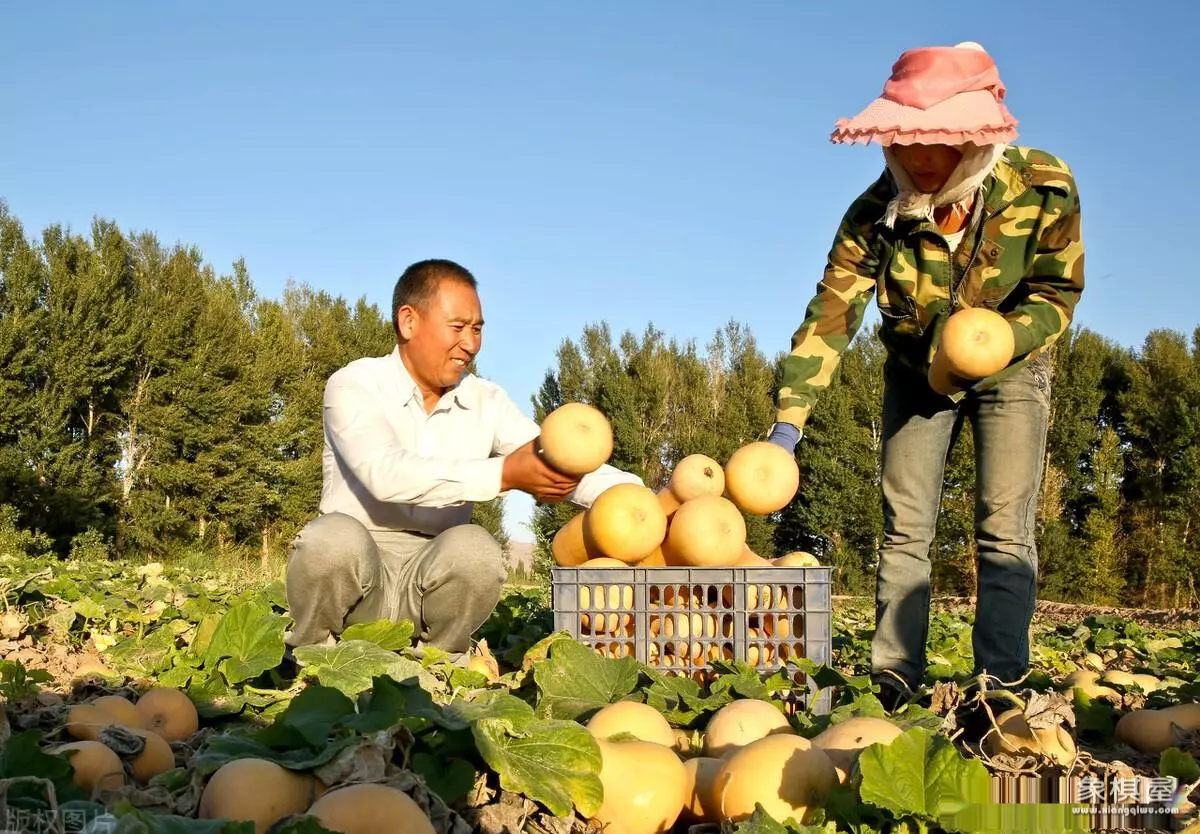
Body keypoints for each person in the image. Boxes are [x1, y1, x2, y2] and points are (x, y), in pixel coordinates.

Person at [766, 42, 1085, 711]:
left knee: (1004, 528)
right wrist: (787, 426)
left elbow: (1056, 293)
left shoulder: (1044, 185)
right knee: (905, 528)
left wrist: (1004, 337)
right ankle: (893, 682)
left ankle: (1001, 685)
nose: (921, 156)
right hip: (915, 372)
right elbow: (831, 317)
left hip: (1012, 372)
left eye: (939, 139)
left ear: (976, 137)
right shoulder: (873, 217)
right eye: (907, 139)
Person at [283, 258, 643, 662]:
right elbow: (383, 472)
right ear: (408, 322)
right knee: (331, 540)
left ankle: (437, 664)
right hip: (359, 574)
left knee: (475, 548)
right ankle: (315, 659)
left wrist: (644, 499)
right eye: (458, 328)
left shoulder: (486, 401)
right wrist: (504, 474)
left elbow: (555, 460)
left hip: (433, 576)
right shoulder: (354, 384)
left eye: (477, 330)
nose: (470, 344)